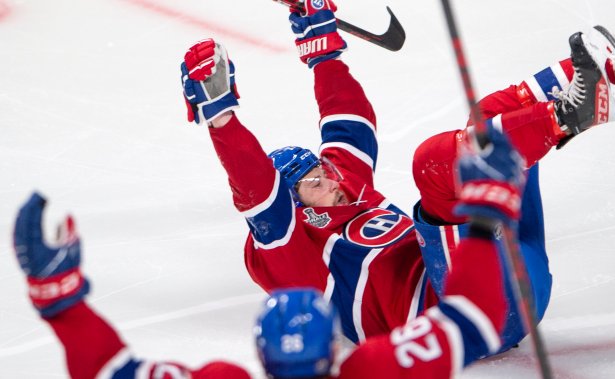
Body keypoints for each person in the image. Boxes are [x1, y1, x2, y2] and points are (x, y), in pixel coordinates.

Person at [180, 0, 615, 358]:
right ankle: (573, 112)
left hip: (508, 269)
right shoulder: (293, 253)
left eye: (326, 170)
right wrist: (221, 116)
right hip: (468, 313)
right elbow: (255, 187)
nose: (334, 180)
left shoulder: (347, 191)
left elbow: (347, 119)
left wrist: (318, 43)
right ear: (296, 206)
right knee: (435, 163)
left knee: (488, 122)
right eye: (317, 181)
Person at [11, 124, 526, 378]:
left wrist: (60, 302)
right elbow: (474, 314)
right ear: (332, 351)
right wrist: (485, 214)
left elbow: (111, 370)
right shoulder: (376, 366)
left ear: (260, 353)